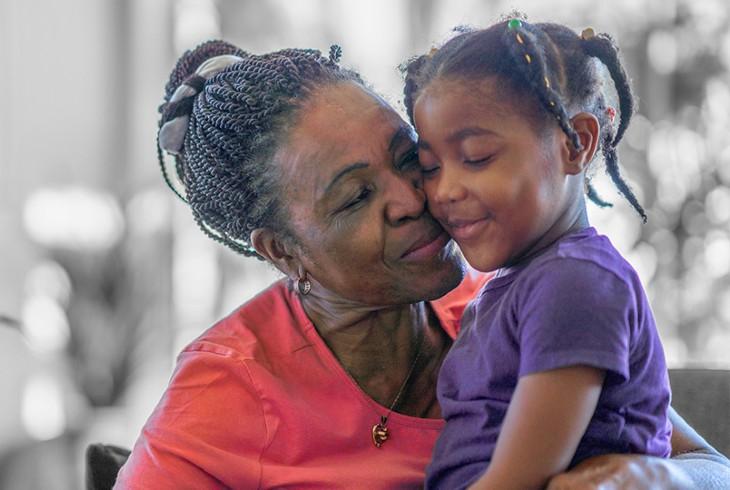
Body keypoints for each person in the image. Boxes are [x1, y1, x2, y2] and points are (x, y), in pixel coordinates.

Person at [115, 39, 730, 489]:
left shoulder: (502, 302)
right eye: (356, 197)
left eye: (411, 160)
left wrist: (651, 479)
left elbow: (710, 466)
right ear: (283, 251)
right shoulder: (224, 392)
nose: (417, 200)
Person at [401, 18, 694, 490]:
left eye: (476, 156)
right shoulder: (519, 284)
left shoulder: (575, 282)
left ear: (576, 143)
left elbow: (518, 480)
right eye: (430, 167)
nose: (445, 190)